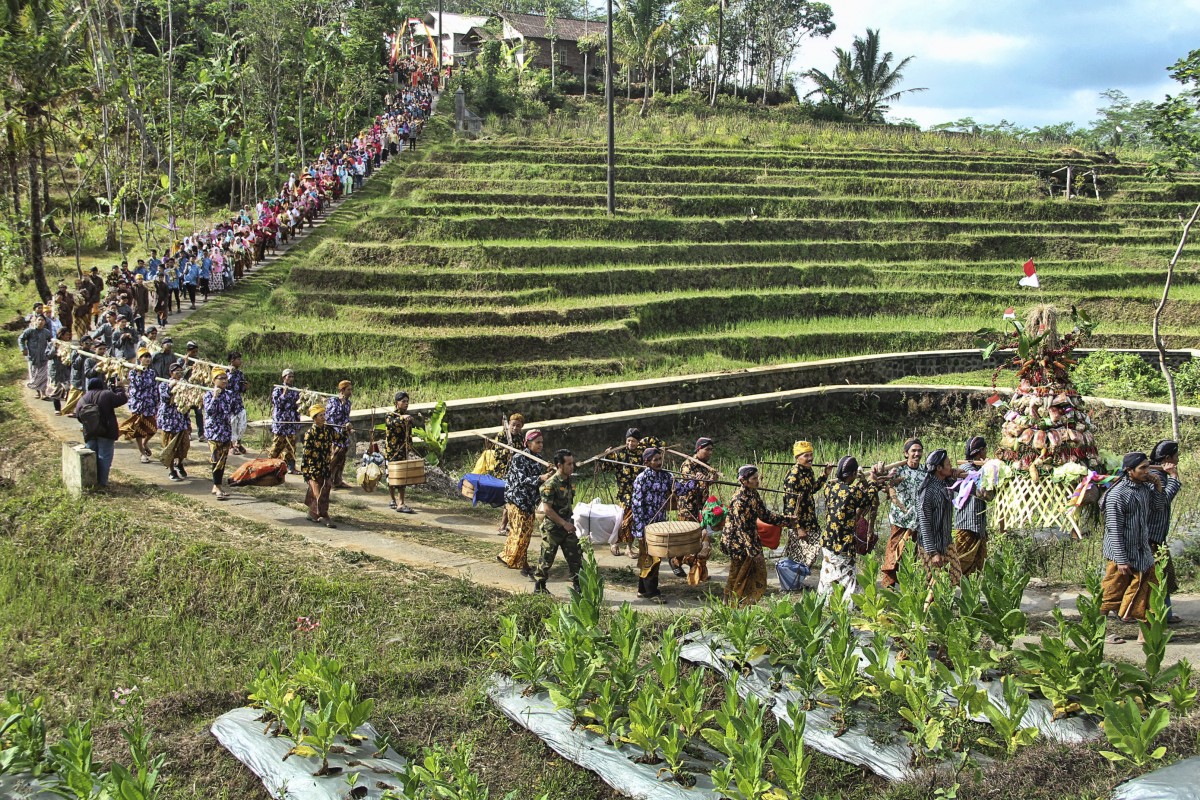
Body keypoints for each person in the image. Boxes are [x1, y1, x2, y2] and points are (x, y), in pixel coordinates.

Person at [1101, 452, 1158, 642]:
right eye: (1142, 468)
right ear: (1129, 470)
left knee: (1150, 591)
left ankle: (1145, 634)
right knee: (1111, 595)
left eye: (1147, 467)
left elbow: (1158, 507)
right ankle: (1100, 633)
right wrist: (1121, 559)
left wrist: (1158, 486)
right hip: (1121, 553)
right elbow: (1114, 530)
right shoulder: (1117, 495)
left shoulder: (1144, 489)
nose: (1146, 471)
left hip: (1142, 551)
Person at [725, 465, 788, 607]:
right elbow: (742, 529)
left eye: (757, 478)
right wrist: (753, 551)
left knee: (752, 574)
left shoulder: (753, 494)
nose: (757, 481)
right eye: (754, 479)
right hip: (738, 543)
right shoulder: (739, 500)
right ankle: (731, 602)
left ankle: (742, 602)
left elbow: (765, 514)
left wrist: (786, 520)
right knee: (737, 574)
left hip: (751, 540)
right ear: (743, 481)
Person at [818, 457, 878, 598]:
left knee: (828, 572)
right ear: (852, 475)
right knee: (847, 574)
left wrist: (860, 480)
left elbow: (839, 486)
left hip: (829, 539)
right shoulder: (853, 492)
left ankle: (824, 600)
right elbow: (870, 498)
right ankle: (847, 603)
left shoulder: (829, 488)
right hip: (844, 542)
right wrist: (873, 480)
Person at [603, 428, 665, 558]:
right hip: (625, 493)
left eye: (634, 441)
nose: (631, 443)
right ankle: (614, 543)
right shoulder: (619, 454)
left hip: (640, 493)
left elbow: (659, 445)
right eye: (629, 440)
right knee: (622, 520)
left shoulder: (643, 453)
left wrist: (644, 441)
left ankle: (629, 547)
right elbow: (606, 468)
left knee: (634, 521)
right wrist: (607, 455)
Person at [497, 430, 550, 578]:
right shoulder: (519, 458)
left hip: (529, 502)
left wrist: (548, 474)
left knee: (525, 533)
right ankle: (516, 561)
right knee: (520, 533)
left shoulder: (538, 458)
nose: (540, 445)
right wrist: (541, 477)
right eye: (537, 442)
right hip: (517, 500)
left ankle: (516, 559)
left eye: (542, 442)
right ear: (528, 443)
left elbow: (539, 480)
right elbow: (523, 480)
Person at [532, 448, 581, 596]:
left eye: (572, 464)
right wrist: (563, 523)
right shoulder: (550, 484)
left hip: (567, 527)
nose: (572, 467)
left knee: (576, 558)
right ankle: (539, 588)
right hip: (553, 528)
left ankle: (579, 588)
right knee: (546, 559)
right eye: (569, 464)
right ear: (559, 465)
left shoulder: (568, 481)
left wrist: (568, 523)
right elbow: (547, 509)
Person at [782, 440, 831, 578]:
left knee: (812, 551)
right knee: (798, 555)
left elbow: (812, 489)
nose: (810, 459)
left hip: (810, 520)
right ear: (797, 457)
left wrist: (825, 475)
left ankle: (796, 580)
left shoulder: (808, 471)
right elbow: (790, 506)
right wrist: (797, 527)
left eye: (811, 455)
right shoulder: (793, 477)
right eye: (806, 456)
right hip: (799, 522)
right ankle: (792, 583)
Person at [631, 447, 674, 602]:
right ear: (647, 462)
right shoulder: (641, 479)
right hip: (646, 526)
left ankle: (643, 590)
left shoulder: (666, 477)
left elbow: (680, 490)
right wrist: (640, 532)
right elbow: (636, 506)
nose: (658, 462)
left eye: (660, 459)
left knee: (653, 558)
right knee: (650, 558)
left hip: (659, 525)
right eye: (655, 460)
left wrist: (697, 480)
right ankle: (652, 592)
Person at [882, 438, 925, 588]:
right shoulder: (898, 470)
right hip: (900, 520)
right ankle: (888, 589)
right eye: (913, 451)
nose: (917, 454)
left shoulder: (925, 471)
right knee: (894, 554)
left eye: (919, 450)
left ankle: (910, 589)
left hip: (917, 521)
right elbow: (885, 483)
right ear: (906, 453)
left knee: (912, 556)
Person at [672, 437, 718, 577]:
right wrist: (697, 479)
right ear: (698, 449)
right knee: (687, 538)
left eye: (711, 450)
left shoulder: (705, 466)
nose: (710, 452)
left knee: (700, 539)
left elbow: (704, 484)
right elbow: (689, 484)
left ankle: (697, 570)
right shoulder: (688, 464)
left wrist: (711, 480)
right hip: (687, 507)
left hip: (701, 507)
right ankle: (675, 560)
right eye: (707, 449)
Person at [1148, 440, 1183, 624]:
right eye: (1176, 456)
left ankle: (1166, 614)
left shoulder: (1157, 475)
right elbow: (1162, 503)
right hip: (1150, 537)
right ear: (1168, 458)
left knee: (1164, 575)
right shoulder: (1157, 477)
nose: (1178, 459)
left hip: (1157, 537)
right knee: (1158, 577)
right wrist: (1174, 477)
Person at [916, 449, 959, 585]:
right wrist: (933, 552)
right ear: (939, 468)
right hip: (931, 547)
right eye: (948, 464)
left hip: (946, 542)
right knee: (932, 585)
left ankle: (942, 606)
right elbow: (924, 524)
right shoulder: (927, 491)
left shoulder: (947, 483)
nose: (951, 466)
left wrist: (960, 477)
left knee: (953, 578)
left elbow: (970, 489)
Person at [952, 436, 992, 578]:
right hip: (967, 525)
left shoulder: (977, 469)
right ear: (980, 451)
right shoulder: (967, 470)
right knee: (960, 562)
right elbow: (984, 494)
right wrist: (988, 469)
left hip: (977, 525)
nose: (986, 452)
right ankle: (936, 595)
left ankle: (969, 597)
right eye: (985, 449)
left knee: (975, 565)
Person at [79, 375, 127, 488]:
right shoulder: (106, 394)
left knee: (91, 456)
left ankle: (91, 481)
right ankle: (102, 483)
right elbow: (122, 399)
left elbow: (78, 415)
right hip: (106, 431)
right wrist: (119, 388)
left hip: (90, 432)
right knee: (104, 457)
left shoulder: (83, 398)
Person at [301, 404, 339, 528]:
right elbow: (306, 455)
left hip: (325, 466)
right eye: (320, 415)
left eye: (324, 415)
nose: (323, 417)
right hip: (313, 468)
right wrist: (306, 472)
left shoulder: (328, 430)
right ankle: (325, 515)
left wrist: (347, 430)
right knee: (318, 492)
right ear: (314, 418)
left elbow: (340, 438)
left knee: (326, 488)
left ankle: (312, 514)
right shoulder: (310, 433)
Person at [118, 350, 159, 463]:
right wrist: (139, 373)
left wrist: (156, 402)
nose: (148, 359)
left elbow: (154, 388)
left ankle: (145, 444)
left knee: (153, 428)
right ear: (140, 359)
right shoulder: (133, 373)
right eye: (145, 357)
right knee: (139, 431)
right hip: (138, 405)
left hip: (149, 405)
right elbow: (139, 386)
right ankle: (142, 453)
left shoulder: (151, 372)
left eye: (149, 357)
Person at [489, 413, 525, 534]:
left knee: (512, 498)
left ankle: (508, 525)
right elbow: (497, 452)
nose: (515, 428)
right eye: (513, 425)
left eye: (518, 426)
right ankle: (503, 526)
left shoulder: (520, 437)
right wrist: (509, 451)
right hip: (503, 470)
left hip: (516, 471)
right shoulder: (502, 435)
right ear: (509, 424)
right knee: (509, 498)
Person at [202, 370, 235, 500]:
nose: (224, 381)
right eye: (221, 378)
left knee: (223, 459)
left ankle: (217, 485)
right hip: (213, 431)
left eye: (226, 378)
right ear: (214, 380)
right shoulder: (208, 395)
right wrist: (215, 398)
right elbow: (209, 411)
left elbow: (232, 411)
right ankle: (217, 486)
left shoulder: (229, 395)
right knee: (216, 459)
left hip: (225, 430)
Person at [157, 363, 192, 481]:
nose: (179, 374)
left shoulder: (184, 385)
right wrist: (170, 388)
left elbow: (186, 405)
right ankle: (172, 471)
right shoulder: (164, 384)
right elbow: (164, 398)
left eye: (181, 372)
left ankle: (179, 463)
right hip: (169, 420)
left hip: (181, 420)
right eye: (176, 372)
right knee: (169, 448)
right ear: (171, 373)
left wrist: (188, 423)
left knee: (184, 446)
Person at [385, 391, 416, 513]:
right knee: (391, 476)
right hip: (392, 451)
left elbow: (409, 433)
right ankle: (393, 499)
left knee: (402, 477)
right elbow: (392, 424)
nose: (406, 404)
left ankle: (401, 502)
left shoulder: (407, 416)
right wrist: (401, 419)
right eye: (403, 401)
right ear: (396, 403)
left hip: (403, 451)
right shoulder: (390, 416)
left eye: (407, 401)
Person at [269, 369, 302, 474]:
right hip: (280, 422)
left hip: (291, 422)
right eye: (289, 376)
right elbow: (278, 404)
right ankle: (269, 465)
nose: (291, 379)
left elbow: (297, 406)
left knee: (291, 445)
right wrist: (284, 393)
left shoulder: (295, 390)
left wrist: (297, 420)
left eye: (292, 377)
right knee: (277, 445)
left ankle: (291, 467)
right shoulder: (278, 389)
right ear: (284, 378)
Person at [325, 380, 353, 489]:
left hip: (344, 433)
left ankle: (338, 480)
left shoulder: (348, 403)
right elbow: (330, 418)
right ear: (342, 390)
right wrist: (341, 405)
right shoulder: (333, 401)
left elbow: (345, 417)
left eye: (351, 389)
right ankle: (328, 479)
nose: (350, 392)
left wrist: (348, 425)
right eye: (348, 390)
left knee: (342, 457)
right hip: (334, 433)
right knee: (334, 456)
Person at [18, 314, 54, 399]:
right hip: (32, 357)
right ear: (35, 321)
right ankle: (37, 392)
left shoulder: (47, 332)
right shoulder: (30, 331)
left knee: (44, 376)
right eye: (39, 320)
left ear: (45, 322)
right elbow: (21, 339)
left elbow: (51, 342)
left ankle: (43, 393)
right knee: (34, 375)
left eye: (42, 320)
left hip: (44, 357)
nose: (40, 322)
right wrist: (23, 349)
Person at [226, 352, 248, 455]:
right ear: (232, 360)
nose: (240, 361)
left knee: (242, 422)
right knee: (232, 423)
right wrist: (230, 374)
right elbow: (225, 385)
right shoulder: (225, 372)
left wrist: (245, 387)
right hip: (228, 401)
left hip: (238, 401)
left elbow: (241, 388)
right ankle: (231, 445)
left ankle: (238, 443)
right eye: (238, 359)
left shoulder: (240, 373)